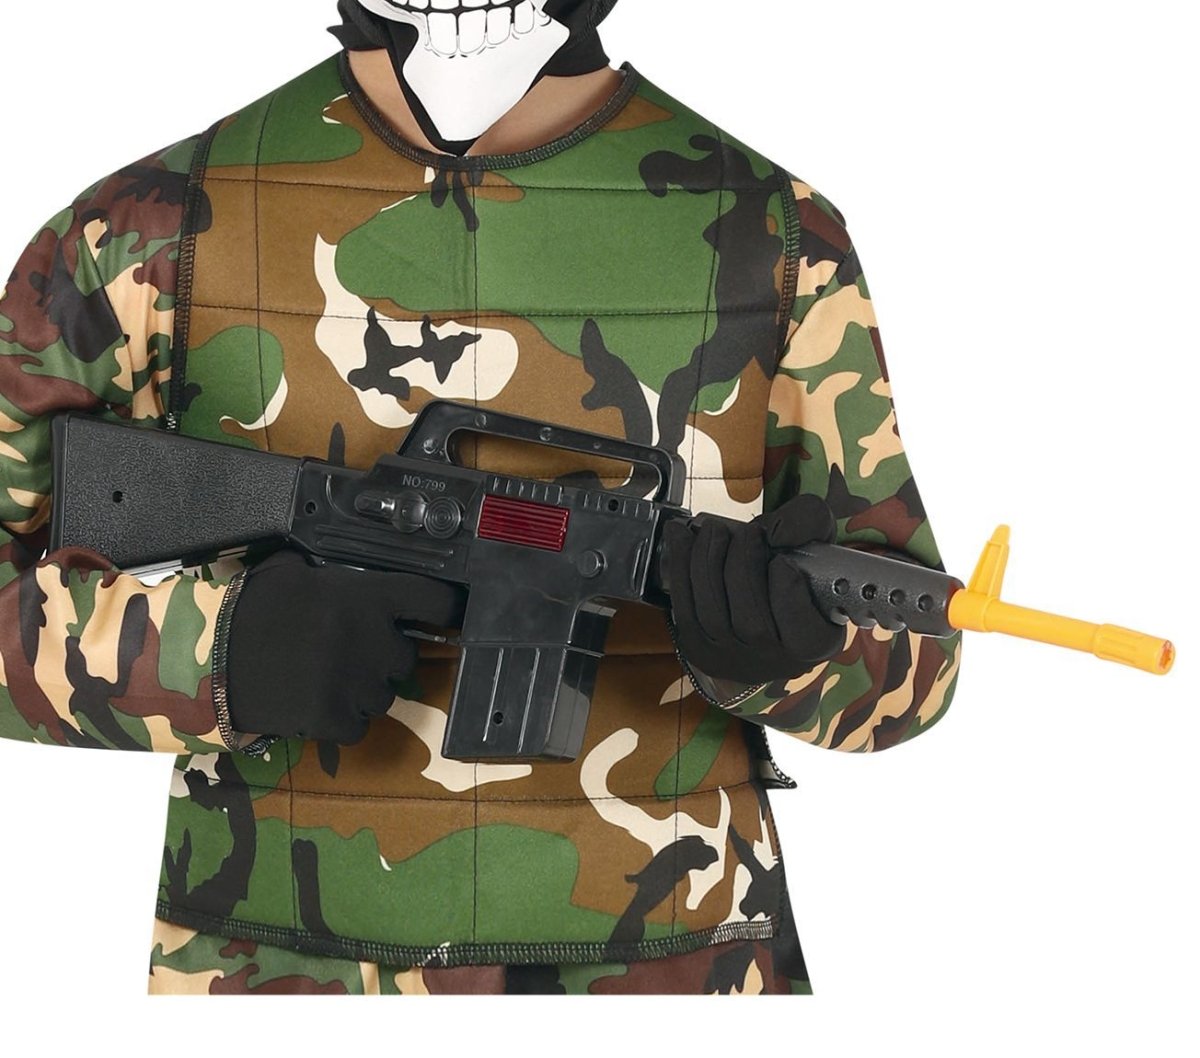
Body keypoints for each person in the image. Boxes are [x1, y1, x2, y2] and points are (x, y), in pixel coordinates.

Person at [0, 0, 962, 995]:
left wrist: (787, 655)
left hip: (682, 968)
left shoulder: (781, 239)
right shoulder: (145, 234)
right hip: (270, 967)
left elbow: (920, 668)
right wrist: (217, 651)